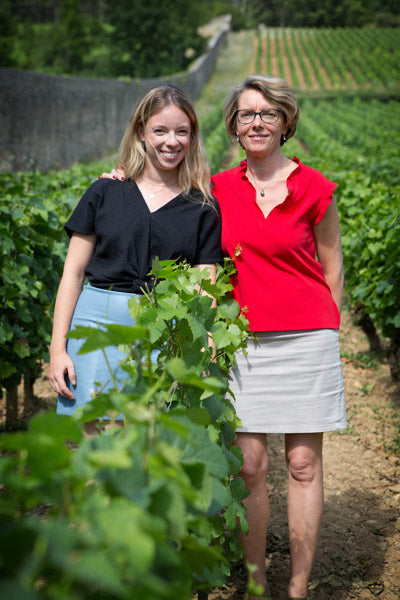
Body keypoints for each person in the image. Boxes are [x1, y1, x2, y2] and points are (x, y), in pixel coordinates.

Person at [100, 75, 346, 600]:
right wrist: (120, 178)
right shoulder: (213, 188)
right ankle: (256, 584)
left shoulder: (316, 187)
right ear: (234, 126)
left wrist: (329, 324)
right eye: (246, 114)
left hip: (306, 336)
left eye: (268, 114)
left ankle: (298, 588)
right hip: (239, 340)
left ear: (286, 122)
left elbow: (332, 263)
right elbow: (155, 189)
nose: (257, 123)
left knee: (302, 465)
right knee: (251, 468)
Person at [49, 84, 222, 432]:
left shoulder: (202, 205)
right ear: (141, 132)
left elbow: (206, 286)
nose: (171, 142)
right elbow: (73, 272)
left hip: (164, 329)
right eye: (160, 130)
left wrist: (207, 345)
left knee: (149, 444)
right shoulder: (105, 191)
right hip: (96, 323)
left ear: (192, 137)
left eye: (181, 132)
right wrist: (57, 347)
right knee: (96, 443)